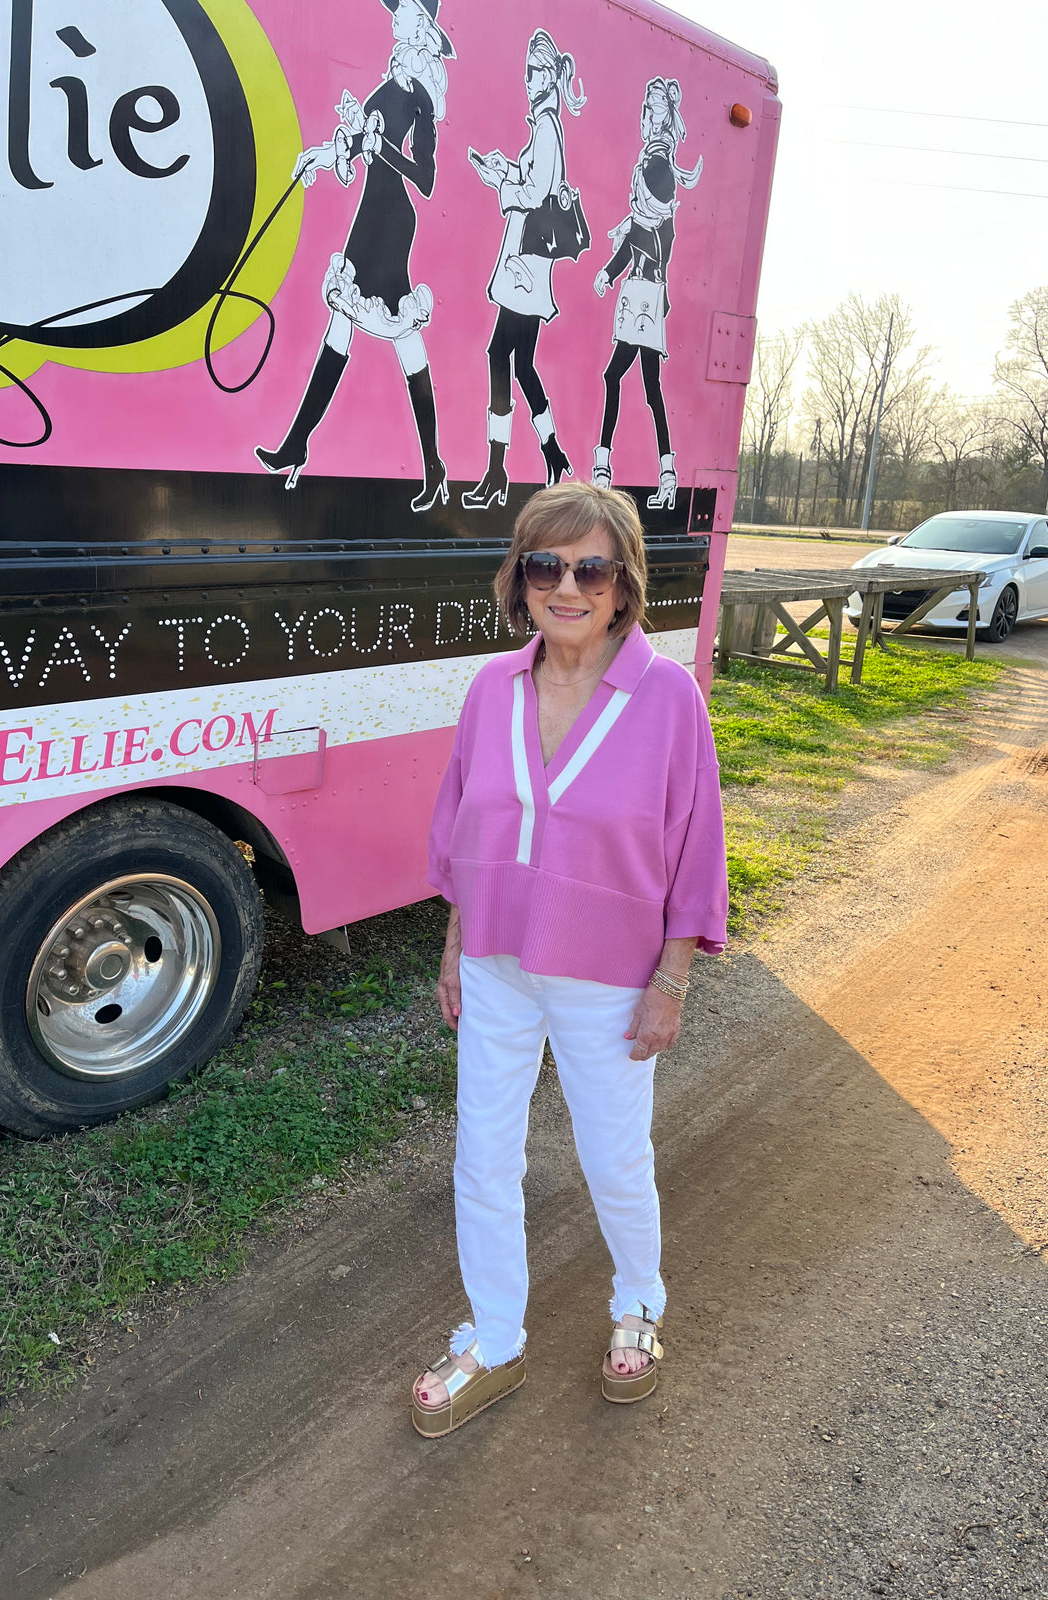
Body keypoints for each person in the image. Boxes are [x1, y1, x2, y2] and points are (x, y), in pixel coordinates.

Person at [412, 481, 729, 1438]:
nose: (568, 586)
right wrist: (456, 944)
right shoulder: (491, 689)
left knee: (613, 1158)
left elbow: (695, 845)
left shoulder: (667, 696)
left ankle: (640, 1302)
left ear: (625, 586)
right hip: (500, 962)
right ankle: (496, 1338)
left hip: (610, 980)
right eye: (546, 565)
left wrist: (672, 978)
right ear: (521, 580)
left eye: (591, 567)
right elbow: (464, 825)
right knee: (482, 1158)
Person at [255, 0, 453, 511]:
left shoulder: (421, 95)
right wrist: (320, 157)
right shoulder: (390, 82)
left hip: (392, 222)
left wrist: (380, 145)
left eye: (404, 10)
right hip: (370, 214)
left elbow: (426, 179)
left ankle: (432, 465)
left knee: (403, 335)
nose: (394, 15)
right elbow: (356, 150)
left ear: (423, 23)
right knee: (344, 324)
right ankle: (298, 443)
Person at [463, 31, 587, 510]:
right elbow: (535, 182)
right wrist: (505, 172)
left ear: (550, 76)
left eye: (535, 72)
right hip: (527, 263)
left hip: (526, 265)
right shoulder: (545, 126)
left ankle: (500, 469)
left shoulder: (547, 127)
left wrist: (501, 184)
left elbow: (537, 193)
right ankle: (549, 455)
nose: (528, 79)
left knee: (501, 355)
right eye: (527, 71)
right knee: (519, 363)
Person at [592, 78, 703, 511]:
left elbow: (655, 234)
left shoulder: (660, 166)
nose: (651, 113)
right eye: (649, 106)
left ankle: (604, 467)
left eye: (657, 107)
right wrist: (612, 266)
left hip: (644, 293)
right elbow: (642, 229)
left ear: (667, 114)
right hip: (643, 292)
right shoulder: (654, 159)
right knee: (648, 386)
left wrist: (609, 266)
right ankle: (666, 474)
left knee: (617, 378)